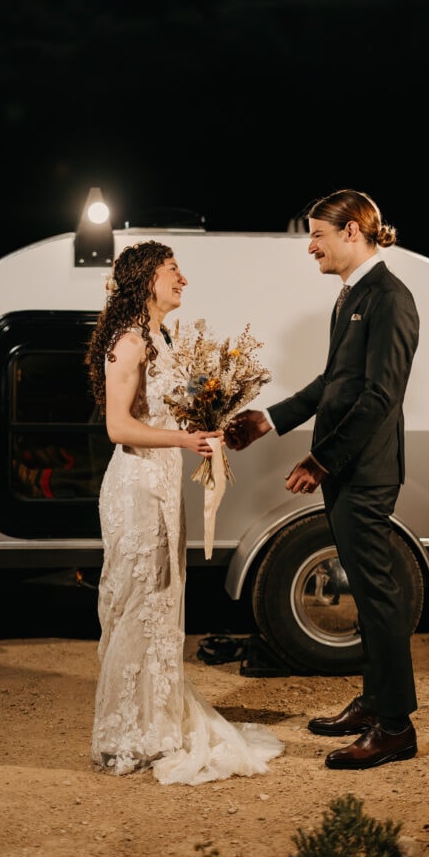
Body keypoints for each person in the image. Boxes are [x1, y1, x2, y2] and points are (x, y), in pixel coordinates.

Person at [224, 188, 420, 771]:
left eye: (318, 233)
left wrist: (322, 460)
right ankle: (374, 702)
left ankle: (394, 728)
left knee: (379, 598)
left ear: (353, 230)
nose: (310, 245)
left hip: (364, 471)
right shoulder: (350, 298)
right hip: (347, 469)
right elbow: (333, 382)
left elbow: (381, 395)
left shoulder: (389, 298)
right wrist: (269, 419)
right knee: (364, 592)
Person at [85, 240, 284, 784]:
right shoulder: (128, 341)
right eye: (174, 271)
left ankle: (159, 722)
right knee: (137, 602)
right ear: (147, 277)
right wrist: (183, 438)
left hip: (165, 483)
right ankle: (129, 732)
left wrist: (208, 421)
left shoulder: (163, 336)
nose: (184, 280)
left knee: (164, 601)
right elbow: (118, 428)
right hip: (135, 488)